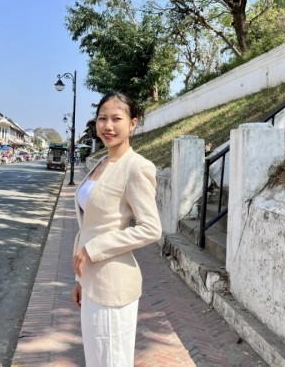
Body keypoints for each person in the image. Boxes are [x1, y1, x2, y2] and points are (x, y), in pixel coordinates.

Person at [72, 92, 162, 367]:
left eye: (116, 119)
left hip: (113, 284)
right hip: (91, 280)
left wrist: (93, 249)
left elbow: (151, 228)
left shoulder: (136, 167)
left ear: (133, 124)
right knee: (96, 359)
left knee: (111, 360)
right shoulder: (101, 162)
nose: (107, 126)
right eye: (102, 119)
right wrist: (79, 279)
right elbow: (89, 225)